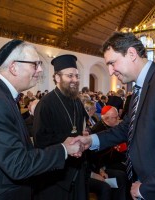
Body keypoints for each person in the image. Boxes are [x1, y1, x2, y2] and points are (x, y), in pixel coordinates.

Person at [0, 40, 84, 200]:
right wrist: (64, 149)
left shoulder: (1, 95)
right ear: (13, 67)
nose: (40, 70)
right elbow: (17, 165)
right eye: (35, 64)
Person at [72, 32, 155, 200]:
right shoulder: (140, 88)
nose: (110, 71)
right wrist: (92, 140)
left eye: (112, 63)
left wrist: (147, 188)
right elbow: (127, 128)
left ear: (131, 54)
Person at [33, 54, 89, 200]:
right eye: (70, 76)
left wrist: (83, 136)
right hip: (56, 176)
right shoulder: (45, 104)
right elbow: (40, 140)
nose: (75, 80)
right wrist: (68, 141)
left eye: (77, 76)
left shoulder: (77, 101)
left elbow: (80, 127)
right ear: (57, 77)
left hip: (78, 169)